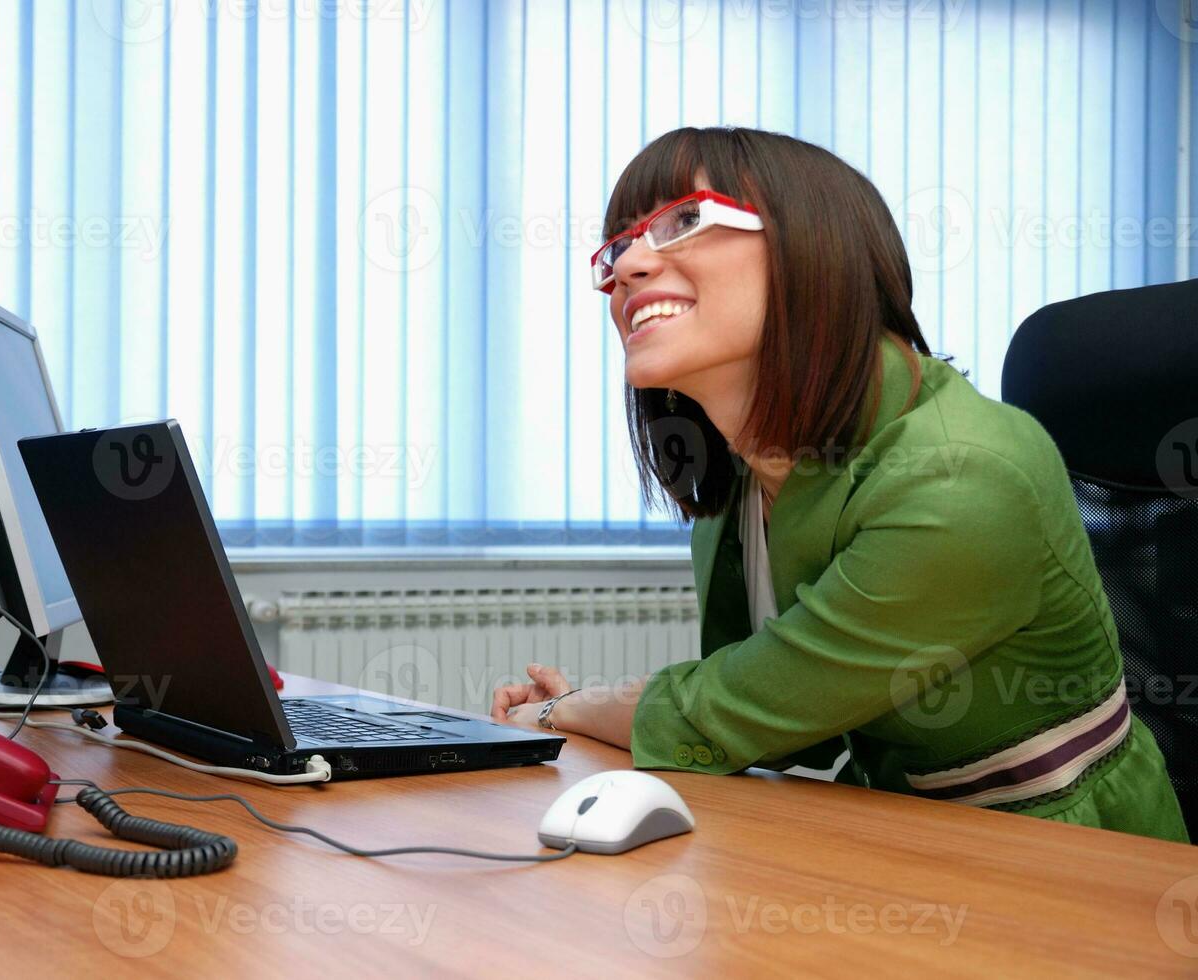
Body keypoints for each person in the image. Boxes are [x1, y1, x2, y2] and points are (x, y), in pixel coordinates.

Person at [490, 126, 1188, 842]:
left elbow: (732, 711)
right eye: (620, 244)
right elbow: (782, 723)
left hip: (1068, 857)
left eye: (682, 221)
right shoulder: (738, 480)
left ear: (813, 245)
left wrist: (558, 713)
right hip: (891, 831)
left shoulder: (961, 475)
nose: (629, 265)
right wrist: (579, 706)